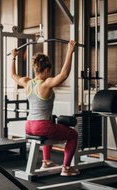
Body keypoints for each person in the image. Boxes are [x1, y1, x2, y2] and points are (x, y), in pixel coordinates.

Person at [11, 40, 80, 176]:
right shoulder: (46, 84)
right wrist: (70, 51)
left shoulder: (27, 82)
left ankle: (46, 161)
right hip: (41, 126)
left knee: (52, 124)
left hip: (29, 125)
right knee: (73, 135)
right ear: (47, 69)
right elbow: (64, 75)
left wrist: (14, 57)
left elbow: (13, 75)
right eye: (50, 71)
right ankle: (66, 168)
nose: (50, 74)